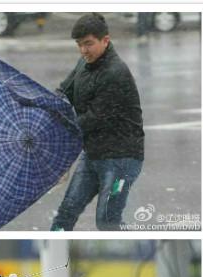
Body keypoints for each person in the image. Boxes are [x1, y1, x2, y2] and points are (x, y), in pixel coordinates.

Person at [51, 13, 144, 231]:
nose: (84, 50)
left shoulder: (115, 73)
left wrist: (56, 137)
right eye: (79, 44)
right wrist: (44, 105)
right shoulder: (84, 63)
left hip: (122, 158)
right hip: (93, 153)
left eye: (89, 44)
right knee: (65, 215)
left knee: (107, 221)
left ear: (105, 40)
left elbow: (92, 119)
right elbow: (65, 91)